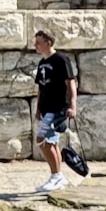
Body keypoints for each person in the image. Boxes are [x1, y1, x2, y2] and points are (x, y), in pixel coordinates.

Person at [30, 28, 78, 192]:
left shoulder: (61, 59)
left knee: (41, 139)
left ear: (48, 43)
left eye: (38, 43)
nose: (35, 45)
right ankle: (58, 177)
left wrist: (72, 105)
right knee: (51, 142)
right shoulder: (42, 62)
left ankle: (56, 176)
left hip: (57, 108)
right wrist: (38, 109)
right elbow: (41, 88)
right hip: (46, 108)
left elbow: (70, 83)